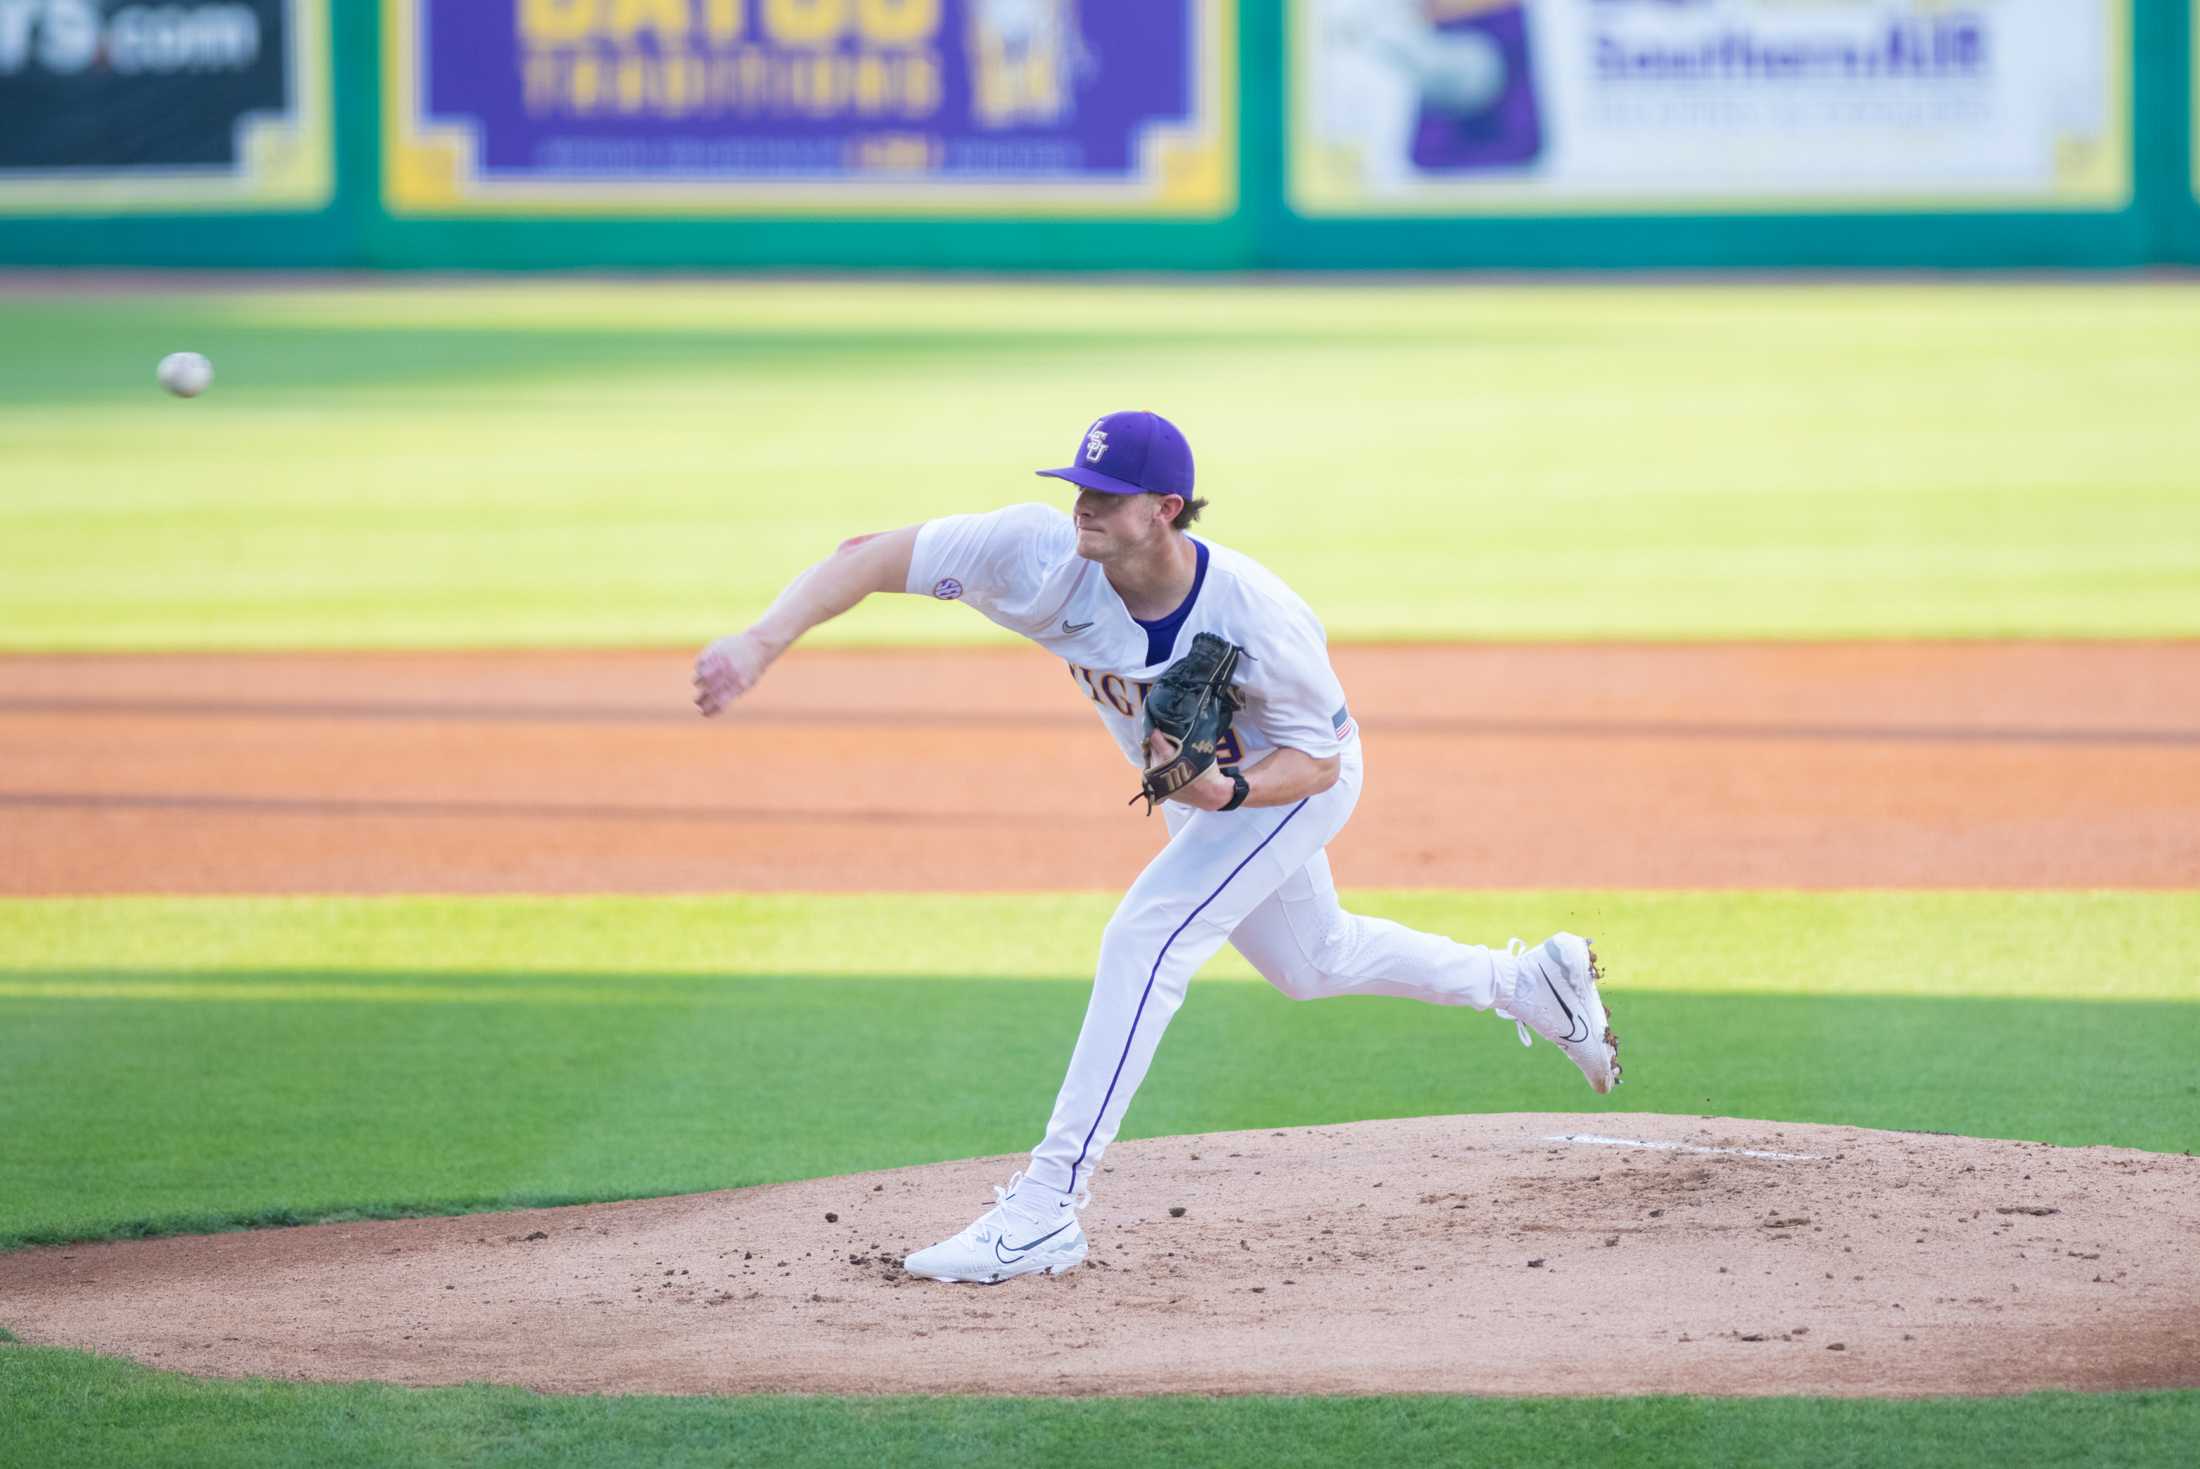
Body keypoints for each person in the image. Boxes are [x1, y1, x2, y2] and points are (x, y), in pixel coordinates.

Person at [693, 410, 1620, 1286]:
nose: (1081, 504)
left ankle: (1049, 1204)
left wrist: (1233, 791)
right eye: (1078, 482)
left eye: (1105, 491)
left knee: (1148, 934)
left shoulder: (1259, 613)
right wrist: (759, 641)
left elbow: (1321, 756)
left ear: (1164, 510)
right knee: (1312, 960)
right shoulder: (1033, 551)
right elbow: (867, 557)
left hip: (1290, 781)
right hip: (1207, 787)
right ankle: (1527, 984)